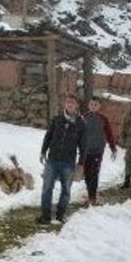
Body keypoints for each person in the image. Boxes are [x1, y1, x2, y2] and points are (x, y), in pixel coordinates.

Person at [37, 94, 86, 224]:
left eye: (72, 102)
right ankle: (45, 216)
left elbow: (83, 145)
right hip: (52, 159)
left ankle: (60, 215)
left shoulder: (81, 123)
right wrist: (43, 151)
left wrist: (81, 164)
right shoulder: (57, 119)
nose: (69, 104)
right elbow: (48, 136)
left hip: (68, 162)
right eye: (67, 102)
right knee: (47, 188)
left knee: (66, 190)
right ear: (65, 104)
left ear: (76, 105)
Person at [81, 97, 117, 206]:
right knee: (87, 174)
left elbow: (109, 134)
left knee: (94, 173)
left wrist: (113, 148)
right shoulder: (83, 118)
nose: (93, 106)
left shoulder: (103, 118)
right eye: (91, 104)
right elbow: (78, 134)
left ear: (99, 106)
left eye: (95, 104)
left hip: (97, 151)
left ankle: (93, 198)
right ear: (88, 105)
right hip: (86, 151)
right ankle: (90, 194)